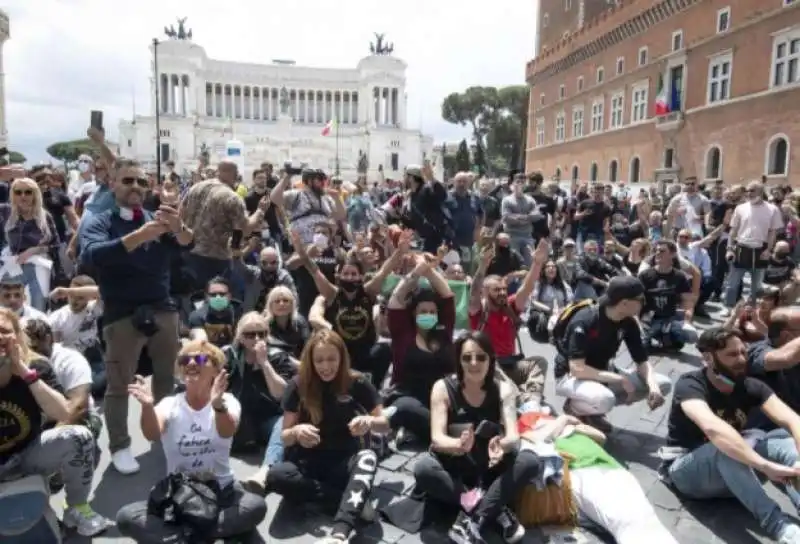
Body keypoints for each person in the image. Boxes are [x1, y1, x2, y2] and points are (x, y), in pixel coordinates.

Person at [80, 157, 193, 475]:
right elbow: (91, 255)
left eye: (142, 182)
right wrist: (140, 236)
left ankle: (164, 431)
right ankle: (120, 445)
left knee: (167, 379)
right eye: (128, 180)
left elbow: (188, 243)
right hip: (121, 313)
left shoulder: (157, 218)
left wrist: (177, 225)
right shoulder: (101, 219)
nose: (135, 187)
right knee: (118, 385)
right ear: (113, 183)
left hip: (163, 309)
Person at [116, 340, 267, 542]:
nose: (192, 362)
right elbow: (152, 434)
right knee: (126, 517)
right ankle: (205, 531)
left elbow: (227, 431)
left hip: (222, 490)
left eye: (201, 358)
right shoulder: (170, 404)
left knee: (256, 506)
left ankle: (186, 535)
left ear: (216, 370)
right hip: (180, 495)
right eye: (186, 359)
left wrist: (217, 405)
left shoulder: (228, 401)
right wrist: (147, 407)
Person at [663, 327, 800, 543]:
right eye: (732, 355)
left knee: (785, 439)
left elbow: (793, 420)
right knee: (724, 446)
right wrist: (764, 466)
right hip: (689, 473)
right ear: (708, 358)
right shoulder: (690, 384)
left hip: (738, 473)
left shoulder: (751, 386)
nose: (741, 360)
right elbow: (714, 429)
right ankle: (779, 526)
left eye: (743, 352)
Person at [413, 332, 541, 544]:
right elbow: (437, 438)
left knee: (530, 461)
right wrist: (458, 445)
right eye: (467, 357)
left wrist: (502, 444)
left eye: (481, 357)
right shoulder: (442, 388)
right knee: (423, 468)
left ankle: (474, 519)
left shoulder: (504, 389)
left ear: (491, 359)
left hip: (489, 466)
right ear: (459, 360)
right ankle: (494, 507)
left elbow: (513, 437)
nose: (474, 363)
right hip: (455, 467)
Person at [266, 330, 390, 544]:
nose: (325, 366)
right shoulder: (297, 385)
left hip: (344, 460)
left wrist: (368, 422)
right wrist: (296, 432)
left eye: (331, 359)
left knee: (368, 457)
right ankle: (352, 500)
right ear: (310, 361)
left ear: (341, 357)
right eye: (319, 360)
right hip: (307, 464)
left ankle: (340, 534)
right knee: (276, 476)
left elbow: (385, 425)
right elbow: (284, 437)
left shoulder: (357, 382)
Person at [0, 308, 111, 536]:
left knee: (78, 437)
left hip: (28, 454)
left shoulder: (36, 366)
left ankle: (76, 508)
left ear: (17, 335)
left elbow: (63, 413)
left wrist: (23, 371)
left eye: (3, 331)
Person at [554, 276, 672, 433]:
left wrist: (653, 386)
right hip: (571, 376)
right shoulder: (586, 320)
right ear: (624, 303)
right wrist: (620, 379)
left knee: (663, 383)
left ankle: (594, 410)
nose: (645, 302)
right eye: (641, 299)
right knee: (605, 399)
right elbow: (577, 369)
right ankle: (576, 408)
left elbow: (641, 360)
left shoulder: (628, 322)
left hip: (604, 371)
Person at [303, 229, 409, 389]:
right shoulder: (332, 294)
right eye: (346, 274)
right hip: (340, 352)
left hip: (365, 352)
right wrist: (300, 250)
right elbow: (313, 270)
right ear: (338, 277)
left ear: (360, 277)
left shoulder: (368, 292)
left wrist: (400, 251)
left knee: (385, 349)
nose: (350, 278)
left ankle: (374, 386)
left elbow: (384, 270)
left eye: (354, 274)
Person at [0, 177, 60, 311]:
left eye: (28, 192)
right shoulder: (5, 212)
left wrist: (33, 250)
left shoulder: (45, 216)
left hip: (38, 265)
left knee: (37, 306)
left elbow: (56, 245)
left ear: (35, 194)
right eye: (18, 192)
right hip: (13, 264)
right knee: (8, 306)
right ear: (12, 194)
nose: (23, 196)